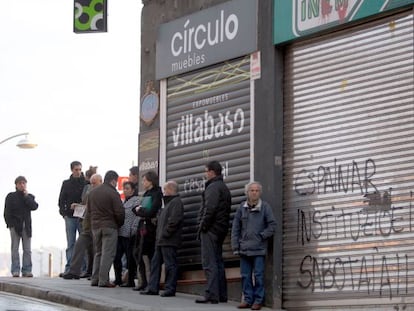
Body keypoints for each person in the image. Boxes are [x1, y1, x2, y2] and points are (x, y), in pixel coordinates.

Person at [231, 181, 276, 311]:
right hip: (244, 248)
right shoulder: (241, 207)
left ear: (259, 193)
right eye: (252, 190)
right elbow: (235, 228)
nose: (254, 192)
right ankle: (248, 299)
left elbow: (272, 225)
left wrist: (261, 236)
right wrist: (235, 245)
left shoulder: (265, 207)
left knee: (258, 276)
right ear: (247, 192)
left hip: (259, 249)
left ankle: (258, 301)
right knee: (245, 275)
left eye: (257, 190)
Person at [195, 160, 231, 304]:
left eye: (206, 171)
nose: (205, 174)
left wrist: (203, 226)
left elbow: (210, 209)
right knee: (218, 262)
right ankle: (221, 295)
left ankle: (211, 294)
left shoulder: (213, 187)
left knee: (209, 262)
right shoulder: (223, 187)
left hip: (211, 230)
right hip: (220, 229)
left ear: (211, 172)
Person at [140, 180, 184, 297]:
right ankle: (152, 287)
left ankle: (170, 288)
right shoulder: (169, 204)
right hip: (161, 240)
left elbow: (173, 222)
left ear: (170, 190)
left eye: (165, 190)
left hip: (168, 240)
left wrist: (165, 234)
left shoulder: (176, 203)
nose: (164, 192)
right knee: (155, 263)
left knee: (170, 265)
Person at [87, 170, 125, 287]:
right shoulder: (113, 193)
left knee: (98, 253)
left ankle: (95, 279)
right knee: (107, 254)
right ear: (113, 180)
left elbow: (88, 211)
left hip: (95, 227)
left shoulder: (92, 193)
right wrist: (118, 224)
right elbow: (119, 212)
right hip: (109, 226)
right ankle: (103, 280)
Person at [63, 173, 102, 280]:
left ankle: (94, 273)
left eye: (94, 183)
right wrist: (78, 206)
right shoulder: (89, 193)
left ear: (100, 182)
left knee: (95, 251)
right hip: (87, 226)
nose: (92, 185)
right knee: (79, 246)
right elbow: (86, 206)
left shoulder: (102, 193)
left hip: (96, 226)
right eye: (91, 183)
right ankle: (74, 271)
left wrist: (82, 207)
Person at [132, 170, 163, 291]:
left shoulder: (156, 194)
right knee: (138, 253)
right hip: (142, 226)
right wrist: (140, 210)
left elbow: (151, 211)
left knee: (148, 254)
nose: (143, 182)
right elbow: (135, 209)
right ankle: (142, 281)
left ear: (150, 181)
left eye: (144, 180)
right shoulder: (146, 194)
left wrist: (141, 210)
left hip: (150, 228)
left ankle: (151, 282)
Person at [4, 176, 39, 277]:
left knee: (27, 250)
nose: (22, 185)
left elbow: (35, 206)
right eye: (20, 183)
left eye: (24, 183)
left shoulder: (29, 196)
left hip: (26, 226)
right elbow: (7, 212)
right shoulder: (11, 196)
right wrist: (10, 224)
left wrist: (26, 196)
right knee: (15, 249)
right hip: (15, 226)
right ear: (16, 185)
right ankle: (15, 270)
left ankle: (27, 270)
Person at [58, 161, 86, 275]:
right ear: (72, 170)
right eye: (76, 169)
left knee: (83, 242)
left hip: (82, 216)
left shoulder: (85, 183)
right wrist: (64, 213)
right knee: (71, 243)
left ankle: (83, 268)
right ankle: (69, 267)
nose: (78, 172)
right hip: (70, 216)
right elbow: (61, 200)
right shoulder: (66, 183)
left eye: (80, 169)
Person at [113, 181, 140, 287]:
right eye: (124, 189)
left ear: (133, 190)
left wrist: (134, 229)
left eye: (127, 188)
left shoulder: (136, 200)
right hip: (120, 233)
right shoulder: (122, 201)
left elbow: (138, 216)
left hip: (129, 234)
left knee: (130, 258)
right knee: (117, 257)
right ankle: (118, 278)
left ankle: (130, 280)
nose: (125, 191)